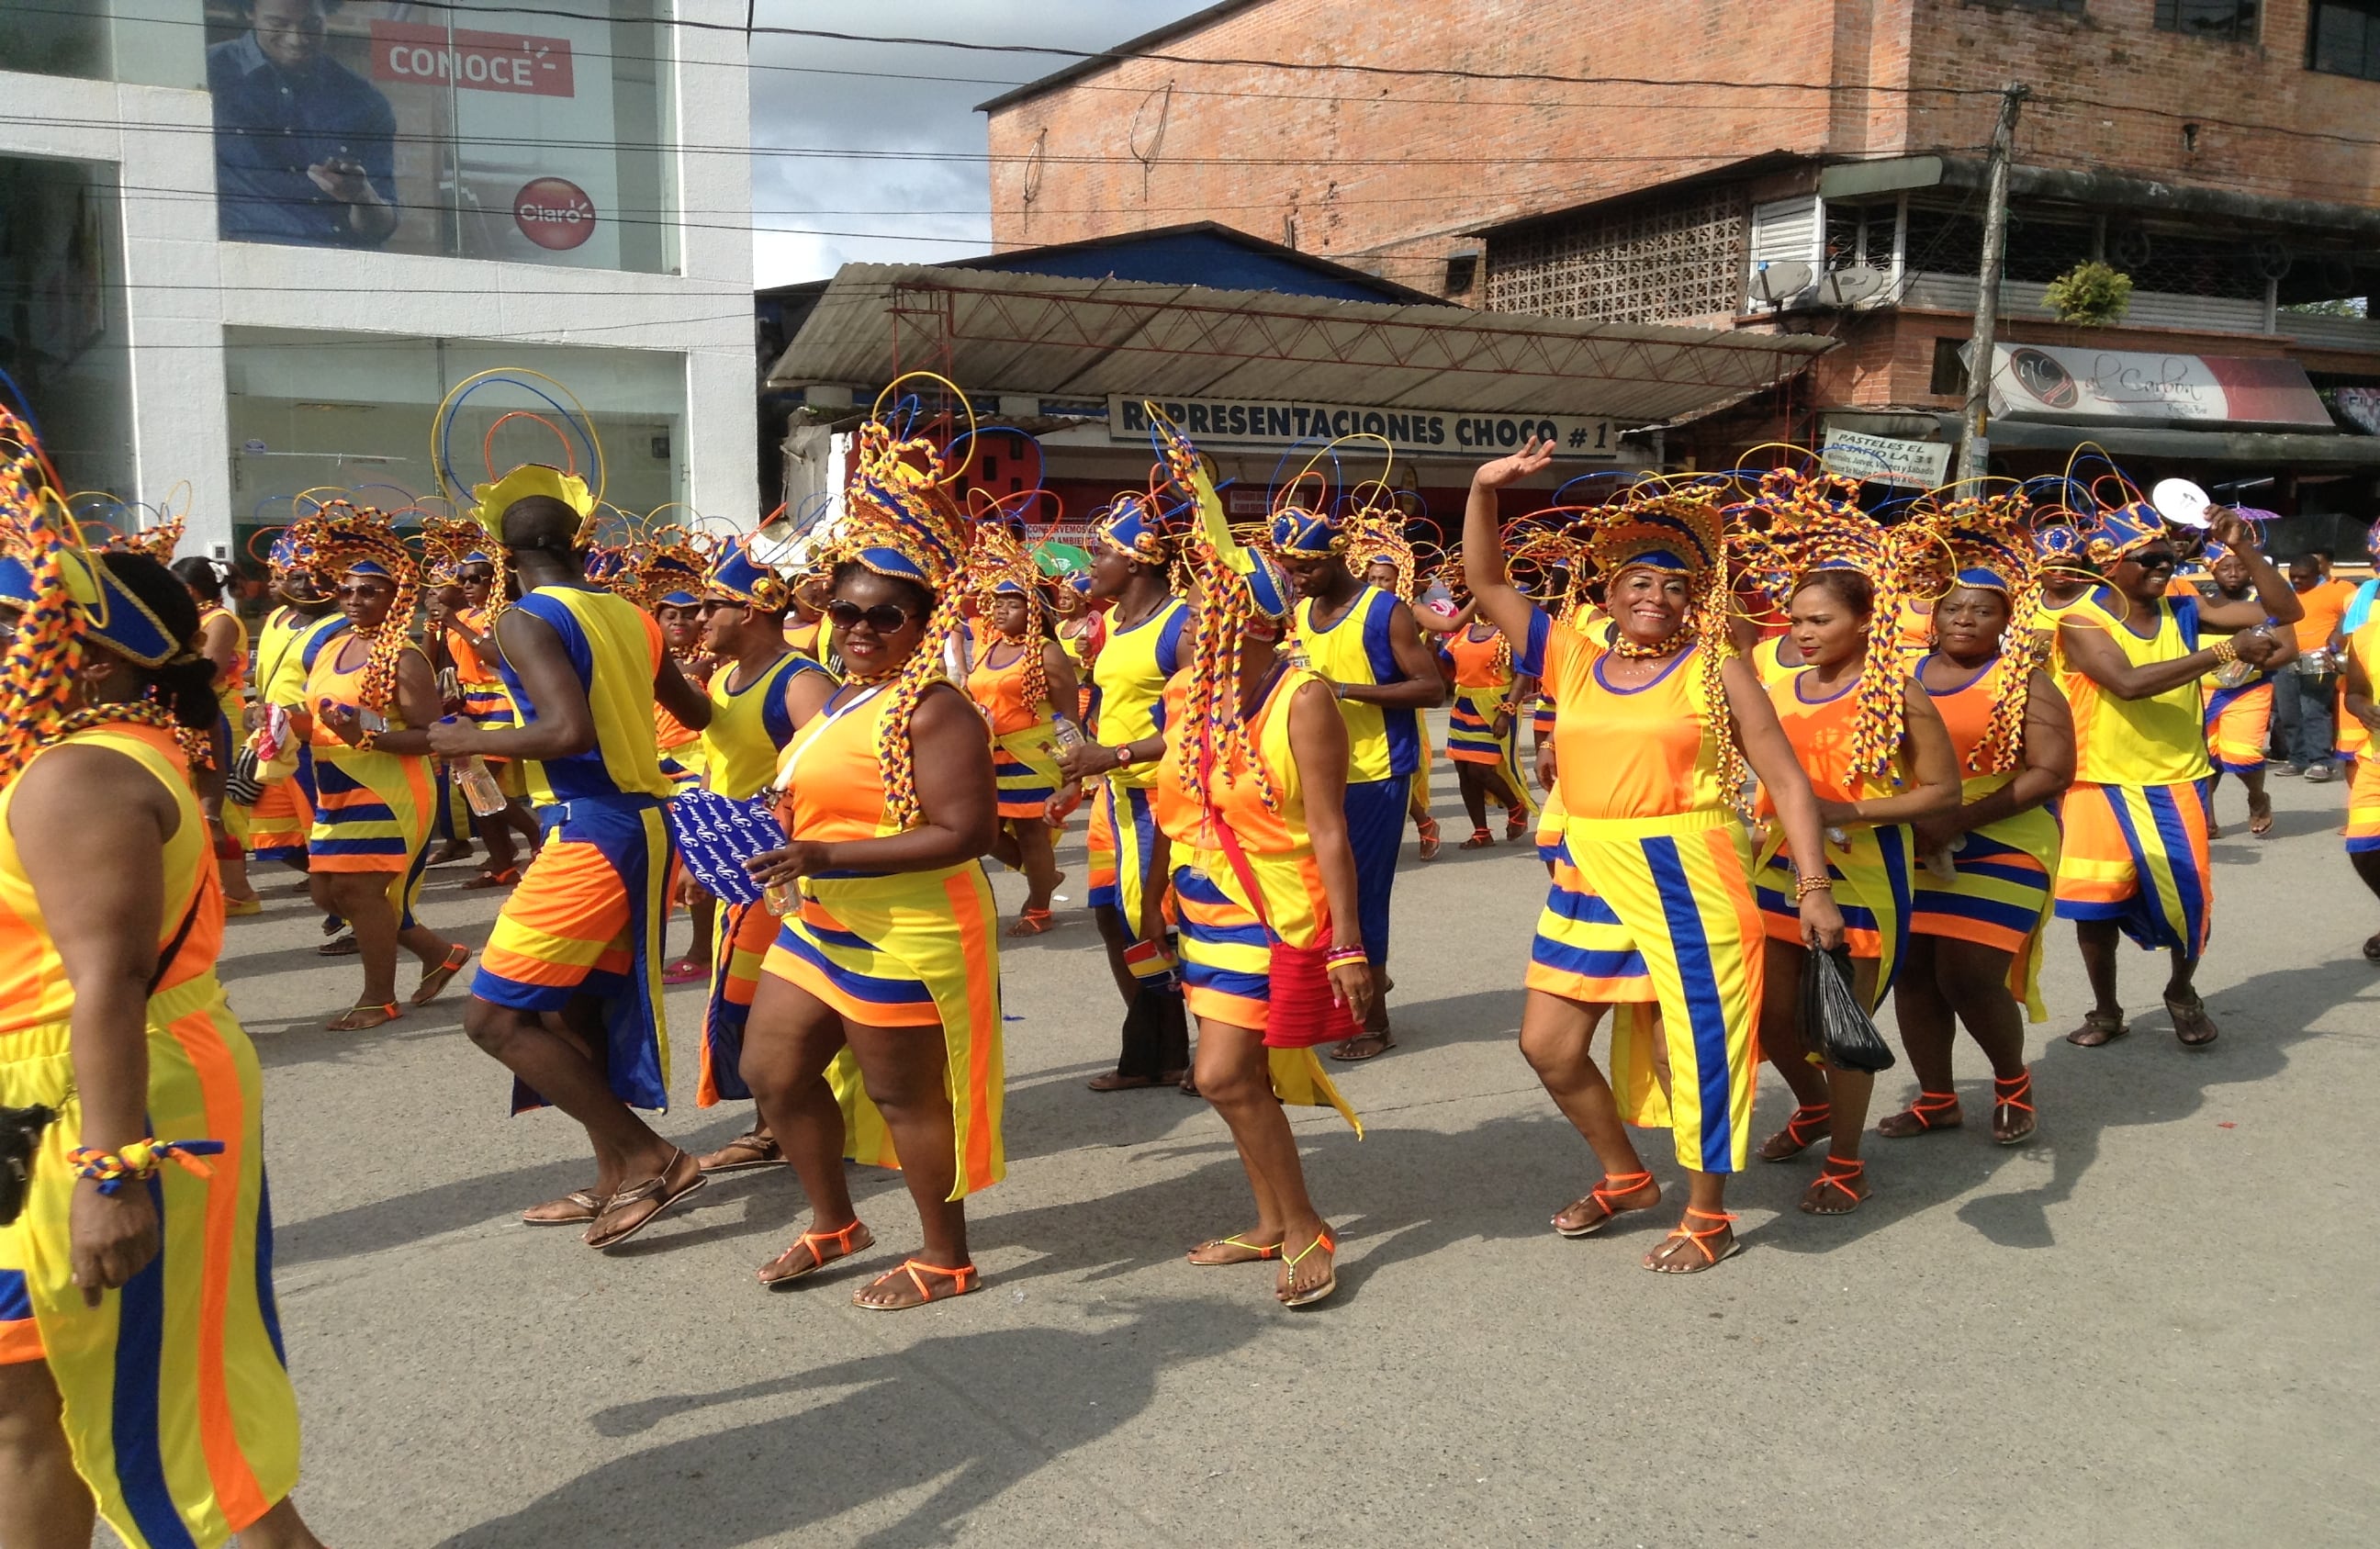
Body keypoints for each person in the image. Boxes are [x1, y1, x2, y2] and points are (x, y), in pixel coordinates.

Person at [0, 454, 329, 1548]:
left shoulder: (79, 775)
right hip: (64, 1090)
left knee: (177, 1433)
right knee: (29, 1400)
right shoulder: (101, 753)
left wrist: (111, 1169)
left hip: (94, 1096)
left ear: (89, 657)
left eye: (17, 625)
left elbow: (106, 981)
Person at [1465, 446, 1841, 1271]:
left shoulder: (1718, 669)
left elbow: (1784, 775)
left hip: (1689, 862)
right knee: (1549, 1044)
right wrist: (1485, 490)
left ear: (1693, 599)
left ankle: (1709, 1211)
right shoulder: (1569, 654)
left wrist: (1813, 885)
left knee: (1699, 1042)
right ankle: (1626, 1176)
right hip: (1588, 867)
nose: (1656, 597)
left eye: (1674, 586)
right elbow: (1488, 584)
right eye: (1639, 583)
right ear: (1609, 594)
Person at [736, 404, 1005, 1308]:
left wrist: (821, 850)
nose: (858, 627)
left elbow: (968, 833)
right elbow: (823, 796)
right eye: (844, 609)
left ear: (921, 620)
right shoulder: (847, 701)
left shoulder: (935, 708)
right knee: (770, 1073)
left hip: (907, 927)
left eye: (883, 614)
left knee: (905, 1099)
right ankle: (834, 1220)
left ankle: (945, 1254)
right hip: (822, 919)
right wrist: (765, 822)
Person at [426, 468, 714, 1249]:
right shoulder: (629, 614)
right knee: (570, 1005)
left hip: (596, 826)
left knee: (492, 1018)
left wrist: (468, 738)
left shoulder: (527, 617)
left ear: (501, 551)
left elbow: (566, 733)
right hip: (643, 823)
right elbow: (697, 710)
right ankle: (616, 1174)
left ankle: (653, 1156)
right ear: (581, 543)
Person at [1144, 429, 1370, 1308]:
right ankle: (1272, 1219)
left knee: (1222, 1074)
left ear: (1261, 622)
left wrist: (1349, 943)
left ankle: (1308, 1222)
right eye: (1199, 607)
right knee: (1229, 1077)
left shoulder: (1302, 698)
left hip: (1274, 908)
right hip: (1204, 904)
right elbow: (1179, 787)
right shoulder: (1186, 694)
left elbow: (1328, 829)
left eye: (1218, 609)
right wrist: (1157, 891)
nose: (1198, 621)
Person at [1732, 484, 1959, 1215]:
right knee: (1770, 1015)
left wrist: (1849, 809)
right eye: (1796, 619)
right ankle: (1814, 1106)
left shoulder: (1897, 692)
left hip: (1863, 877)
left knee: (1839, 1024)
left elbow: (1942, 793)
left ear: (1866, 622)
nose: (1803, 632)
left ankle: (1847, 1160)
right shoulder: (1777, 684)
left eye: (1821, 620)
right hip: (1775, 867)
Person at [2055, 504, 2298, 1050]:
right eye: (2149, 558)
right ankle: (2106, 1009)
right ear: (2111, 565)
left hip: (2177, 780)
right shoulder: (2080, 619)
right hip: (2100, 783)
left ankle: (2181, 992)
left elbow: (2286, 613)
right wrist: (2224, 651)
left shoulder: (2186, 604)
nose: (2164, 566)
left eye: (2169, 556)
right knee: (2095, 905)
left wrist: (2242, 547)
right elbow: (2128, 682)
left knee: (2191, 904)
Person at [1883, 506, 2074, 1147]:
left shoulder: (2025, 680)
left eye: (1982, 609)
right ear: (1932, 615)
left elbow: (2051, 772)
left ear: (2007, 619)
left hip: (2006, 835)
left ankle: (2012, 1082)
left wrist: (1959, 820)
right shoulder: (1897, 676)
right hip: (1913, 836)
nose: (1965, 619)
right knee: (1911, 970)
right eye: (1953, 607)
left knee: (1966, 972)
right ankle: (1936, 1098)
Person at [1273, 498, 1446, 1061]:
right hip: (1318, 775)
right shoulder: (1299, 613)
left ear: (1337, 556)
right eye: (1288, 567)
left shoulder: (1384, 610)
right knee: (1323, 892)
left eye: (1306, 566)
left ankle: (1375, 1023)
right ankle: (1360, 987)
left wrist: (1342, 691)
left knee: (1363, 894)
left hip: (1375, 772)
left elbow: (1430, 688)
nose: (1296, 577)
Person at [291, 506, 468, 1031]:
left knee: (359, 893)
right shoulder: (332, 645)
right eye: (346, 590)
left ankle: (377, 998)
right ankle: (439, 952)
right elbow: (321, 717)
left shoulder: (405, 657)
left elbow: (431, 735)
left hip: (387, 788)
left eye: (368, 590)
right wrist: (282, 721)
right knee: (327, 893)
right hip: (335, 785)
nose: (353, 599)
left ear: (396, 596)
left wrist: (366, 735)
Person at [687, 541, 828, 1177]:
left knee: (755, 1004)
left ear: (751, 611)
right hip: (736, 867)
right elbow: (719, 768)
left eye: (712, 605)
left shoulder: (799, 682)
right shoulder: (721, 678)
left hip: (778, 872)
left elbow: (828, 770)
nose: (700, 618)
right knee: (748, 999)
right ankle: (775, 1124)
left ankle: (778, 1128)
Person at [1059, 495, 1193, 1093]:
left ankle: (1182, 1051)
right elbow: (1111, 705)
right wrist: (1080, 755)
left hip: (1159, 798)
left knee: (1156, 924)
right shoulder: (1112, 623)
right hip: (1114, 799)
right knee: (1114, 921)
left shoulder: (1181, 626)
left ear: (1138, 561)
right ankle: (1154, 1051)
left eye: (1103, 552)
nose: (1092, 563)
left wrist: (1109, 754)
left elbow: (1195, 729)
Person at [960, 531, 1080, 936]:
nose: (999, 610)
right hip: (991, 759)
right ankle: (1043, 876)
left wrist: (1075, 771)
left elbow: (1067, 712)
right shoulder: (988, 649)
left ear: (1032, 610)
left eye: (1011, 603)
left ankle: (1040, 910)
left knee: (1032, 835)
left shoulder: (1045, 651)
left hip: (1034, 758)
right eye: (997, 603)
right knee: (984, 832)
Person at [208, 0, 399, 249]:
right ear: (249, 12)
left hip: (339, 265)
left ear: (327, 16)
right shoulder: (204, 73)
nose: (297, 39)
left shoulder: (366, 102)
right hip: (241, 260)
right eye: (278, 24)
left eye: (311, 24)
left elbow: (379, 229)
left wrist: (360, 196)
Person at [426, 535, 541, 887]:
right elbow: (432, 659)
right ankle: (504, 861)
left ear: (496, 580)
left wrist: (455, 624)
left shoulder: (505, 614)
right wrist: (435, 623)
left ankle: (535, 836)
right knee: (471, 787)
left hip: (501, 703)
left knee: (477, 783)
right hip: (471, 704)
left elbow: (499, 658)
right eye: (463, 579)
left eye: (477, 578)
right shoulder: (460, 614)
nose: (468, 585)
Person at [637, 544, 717, 984]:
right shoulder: (645, 659)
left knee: (697, 861)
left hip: (696, 768)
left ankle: (701, 951)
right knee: (662, 868)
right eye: (671, 616)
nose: (681, 623)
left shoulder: (720, 658)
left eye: (689, 615)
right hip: (654, 771)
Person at [168, 556, 264, 915]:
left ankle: (239, 891)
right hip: (199, 711)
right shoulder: (196, 619)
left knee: (222, 806)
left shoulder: (221, 621)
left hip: (220, 713)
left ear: (189, 589)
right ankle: (228, 886)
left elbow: (209, 672)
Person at [2197, 542, 2296, 838]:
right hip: (2201, 690)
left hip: (2248, 688)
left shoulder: (2267, 604)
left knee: (2242, 756)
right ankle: (2207, 817)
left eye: (2241, 566)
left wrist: (2250, 666)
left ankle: (2257, 798)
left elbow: (2289, 650)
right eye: (2225, 567)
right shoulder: (2202, 604)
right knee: (2204, 757)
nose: (2234, 574)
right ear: (2211, 570)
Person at [1437, 599, 1535, 848]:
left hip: (1495, 707)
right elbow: (1444, 666)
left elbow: (1523, 673)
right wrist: (1426, 640)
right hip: (1463, 706)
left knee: (1479, 770)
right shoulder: (1463, 632)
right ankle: (1481, 831)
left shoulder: (1510, 632)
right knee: (1463, 770)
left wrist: (1507, 712)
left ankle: (1515, 807)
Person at [2273, 550, 2354, 782]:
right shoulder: (2284, 593)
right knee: (2288, 712)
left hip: (2319, 660)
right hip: (2286, 658)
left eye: (2302, 577)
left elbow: (2352, 617)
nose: (2297, 581)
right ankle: (2297, 758)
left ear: (2318, 573)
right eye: (2293, 576)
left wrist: (2337, 637)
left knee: (2314, 710)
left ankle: (2320, 762)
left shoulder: (2340, 590)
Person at [2340, 607, 2380, 960]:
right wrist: (2362, 708)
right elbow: (2354, 691)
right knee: (2363, 846)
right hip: (2376, 763)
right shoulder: (2366, 636)